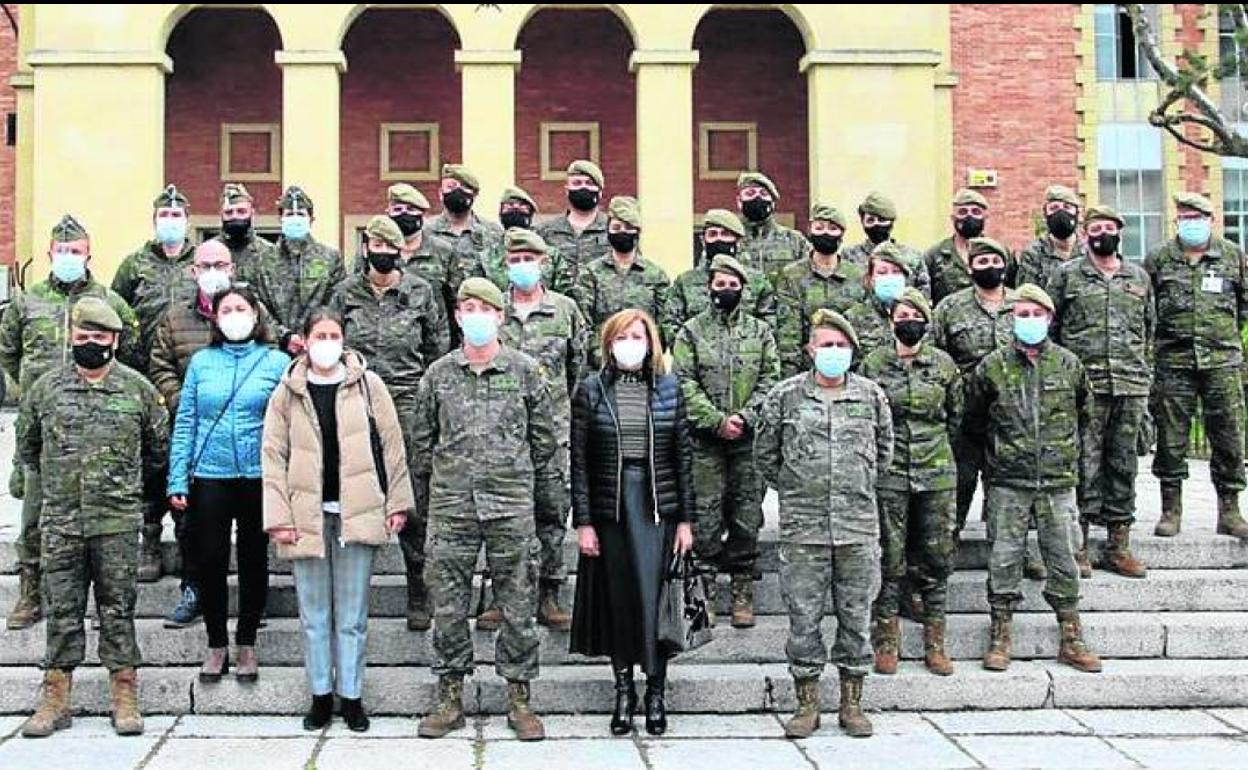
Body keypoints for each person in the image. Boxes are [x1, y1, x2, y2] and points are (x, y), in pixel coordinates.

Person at [413, 278, 562, 742]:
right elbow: (422, 444)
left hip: (510, 504)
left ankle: (519, 699)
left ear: (500, 316)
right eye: (467, 307)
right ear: (457, 317)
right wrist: (429, 500)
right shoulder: (438, 375)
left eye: (484, 308)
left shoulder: (526, 371)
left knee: (518, 603)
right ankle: (449, 697)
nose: (475, 315)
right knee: (449, 605)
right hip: (452, 506)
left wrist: (543, 502)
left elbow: (544, 443)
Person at [18, 297, 168, 738]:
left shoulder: (138, 391)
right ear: (71, 337)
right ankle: (54, 699)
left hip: (117, 522)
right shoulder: (45, 389)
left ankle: (124, 695)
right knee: (62, 612)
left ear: (115, 340)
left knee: (117, 610)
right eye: (83, 336)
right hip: (62, 522)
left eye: (99, 337)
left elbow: (158, 450)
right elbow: (29, 448)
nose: (90, 343)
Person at [262, 309, 414, 733]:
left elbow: (392, 445)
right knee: (313, 614)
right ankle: (319, 696)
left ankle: (351, 695)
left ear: (343, 340)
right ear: (305, 341)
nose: (326, 342)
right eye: (319, 335)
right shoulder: (287, 391)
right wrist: (278, 517)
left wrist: (396, 502)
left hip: (356, 513)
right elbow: (272, 456)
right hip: (305, 516)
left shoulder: (367, 385)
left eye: (334, 335)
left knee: (352, 614)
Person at [0, 215, 142, 630]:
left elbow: (129, 347)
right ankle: (31, 590)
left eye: (75, 251)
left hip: (100, 424)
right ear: (48, 254)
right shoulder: (27, 302)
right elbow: (8, 353)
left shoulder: (109, 301)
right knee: (35, 511)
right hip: (47, 426)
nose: (68, 257)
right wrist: (32, 391)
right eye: (62, 251)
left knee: (102, 516)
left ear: (89, 255)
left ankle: (105, 602)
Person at [755, 309, 891, 739]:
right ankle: (807, 702)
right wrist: (798, 492)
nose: (833, 352)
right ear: (810, 349)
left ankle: (852, 703)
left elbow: (883, 453)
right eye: (825, 345)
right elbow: (765, 455)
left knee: (856, 616)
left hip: (857, 528)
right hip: (804, 529)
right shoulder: (785, 396)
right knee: (804, 618)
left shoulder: (872, 396)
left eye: (841, 346)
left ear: (852, 350)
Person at [963, 284, 1101, 674]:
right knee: (1004, 557)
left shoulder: (1069, 365)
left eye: (1036, 314)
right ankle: (1000, 633)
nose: (1029, 321)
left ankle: (1071, 635)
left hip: (1057, 481)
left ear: (1050, 318)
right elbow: (973, 420)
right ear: (1011, 320)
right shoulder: (991, 367)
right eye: (1021, 315)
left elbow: (1084, 414)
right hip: (1008, 481)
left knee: (1063, 559)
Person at [570, 308, 695, 736]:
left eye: (638, 335)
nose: (630, 343)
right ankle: (624, 690)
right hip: (612, 508)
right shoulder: (589, 391)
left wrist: (685, 520)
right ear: (609, 343)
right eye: (622, 336)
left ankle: (656, 691)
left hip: (657, 506)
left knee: (653, 598)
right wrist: (584, 521)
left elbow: (683, 458)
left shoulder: (669, 389)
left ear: (651, 342)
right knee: (619, 599)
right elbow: (580, 463)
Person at [150, 240, 276, 628]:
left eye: (220, 264)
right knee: (196, 537)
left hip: (252, 457)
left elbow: (274, 372)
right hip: (202, 447)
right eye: (205, 265)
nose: (212, 271)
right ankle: (195, 594)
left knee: (255, 544)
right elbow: (159, 366)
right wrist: (181, 398)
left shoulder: (261, 325)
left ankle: (253, 614)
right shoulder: (174, 319)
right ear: (193, 270)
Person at [332, 215, 449, 631]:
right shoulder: (344, 293)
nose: (382, 252)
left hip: (406, 399)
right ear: (365, 248)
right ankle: (348, 596)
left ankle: (420, 588)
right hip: (356, 396)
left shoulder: (421, 292)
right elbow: (332, 340)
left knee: (411, 496)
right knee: (357, 491)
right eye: (374, 245)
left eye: (390, 246)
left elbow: (437, 349)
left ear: (402, 250)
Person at [167, 284, 288, 683]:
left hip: (258, 476)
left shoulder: (275, 362)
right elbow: (186, 421)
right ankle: (216, 643)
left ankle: (247, 641)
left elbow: (288, 424)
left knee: (254, 559)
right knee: (211, 560)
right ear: (216, 319)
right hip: (210, 475)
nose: (234, 315)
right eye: (227, 310)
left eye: (241, 308)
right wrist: (177, 477)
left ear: (255, 316)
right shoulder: (202, 362)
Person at [489, 227, 590, 632]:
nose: (521, 267)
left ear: (543, 263)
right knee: (503, 517)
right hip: (502, 435)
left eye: (528, 260)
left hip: (553, 434)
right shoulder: (493, 310)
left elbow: (578, 369)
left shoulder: (565, 310)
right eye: (514, 261)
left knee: (550, 513)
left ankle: (549, 593)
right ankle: (503, 595)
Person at [671, 255, 779, 628]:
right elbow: (683, 381)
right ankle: (705, 590)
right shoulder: (691, 332)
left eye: (734, 285)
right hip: (706, 440)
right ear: (709, 288)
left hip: (748, 440)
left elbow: (771, 380)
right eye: (720, 284)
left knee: (747, 514)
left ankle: (742, 586)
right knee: (705, 516)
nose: (726, 291)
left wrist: (745, 418)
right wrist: (717, 421)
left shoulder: (761, 333)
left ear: (744, 290)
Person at [859, 289, 961, 676]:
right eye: (902, 315)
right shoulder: (875, 364)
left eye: (916, 315)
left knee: (937, 557)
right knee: (890, 557)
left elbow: (956, 415)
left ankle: (935, 641)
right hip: (890, 474)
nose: (909, 321)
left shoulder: (944, 365)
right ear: (891, 321)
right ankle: (887, 639)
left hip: (936, 471)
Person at [1049, 204, 1153, 578]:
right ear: (1085, 233)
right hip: (1085, 388)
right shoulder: (1067, 275)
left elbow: (1148, 331)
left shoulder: (1138, 277)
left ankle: (1118, 544)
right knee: (1083, 465)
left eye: (1109, 226)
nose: (1102, 233)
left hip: (1130, 385)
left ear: (1119, 232)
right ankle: (1079, 546)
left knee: (1123, 465)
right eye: (1095, 227)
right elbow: (1052, 328)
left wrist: (1143, 376)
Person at [1146, 192, 1248, 539]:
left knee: (1228, 435)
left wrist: (1224, 337)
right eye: (1185, 217)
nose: (1191, 223)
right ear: (1177, 221)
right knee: (1171, 438)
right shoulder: (1160, 258)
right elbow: (1148, 309)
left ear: (1211, 219)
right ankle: (1171, 510)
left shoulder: (1233, 256)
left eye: (1197, 217)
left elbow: (1244, 305)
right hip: (1173, 361)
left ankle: (1230, 509)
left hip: (1221, 361)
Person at [248, 186, 346, 355]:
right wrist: (284, 336)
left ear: (311, 218)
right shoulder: (261, 259)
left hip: (318, 347)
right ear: (280, 218)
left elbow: (335, 302)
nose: (295, 219)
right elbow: (254, 303)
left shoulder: (330, 258)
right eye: (289, 214)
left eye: (300, 214)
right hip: (271, 348)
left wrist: (310, 335)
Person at [774, 203, 867, 378]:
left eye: (833, 229)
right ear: (810, 230)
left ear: (841, 235)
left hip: (851, 369)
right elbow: (789, 332)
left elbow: (864, 326)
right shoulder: (792, 275)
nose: (825, 233)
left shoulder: (857, 275)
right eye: (819, 227)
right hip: (806, 370)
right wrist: (791, 375)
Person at [574, 196, 672, 361]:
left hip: (644, 364)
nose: (622, 232)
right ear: (608, 230)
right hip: (600, 365)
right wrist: (602, 355)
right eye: (616, 227)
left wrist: (647, 354)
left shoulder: (656, 276)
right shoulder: (590, 274)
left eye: (628, 227)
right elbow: (582, 322)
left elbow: (663, 324)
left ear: (638, 232)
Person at [111, 184, 196, 371]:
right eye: (164, 215)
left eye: (176, 215)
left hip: (191, 362)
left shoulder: (200, 262)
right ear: (155, 221)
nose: (170, 220)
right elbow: (115, 309)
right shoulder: (134, 264)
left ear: (187, 221)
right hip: (143, 364)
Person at [665, 209, 774, 337]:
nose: (719, 239)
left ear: (737, 240)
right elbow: (671, 325)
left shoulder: (758, 281)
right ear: (703, 240)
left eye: (725, 234)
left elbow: (770, 325)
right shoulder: (685, 282)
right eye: (713, 234)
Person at [475, 185, 576, 295]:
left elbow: (564, 292)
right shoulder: (487, 256)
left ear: (531, 214)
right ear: (500, 213)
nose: (515, 209)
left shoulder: (551, 254)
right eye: (510, 205)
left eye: (522, 206)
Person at [925, 188, 1011, 306]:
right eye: (963, 212)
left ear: (985, 217)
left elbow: (1012, 290)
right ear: (953, 218)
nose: (969, 216)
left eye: (976, 212)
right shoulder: (935, 255)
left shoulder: (1000, 253)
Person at [840, 192, 931, 297]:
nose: (876, 224)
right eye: (870, 220)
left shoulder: (912, 256)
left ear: (891, 222)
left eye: (882, 220)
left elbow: (923, 294)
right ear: (863, 223)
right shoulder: (849, 255)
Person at [536, 159, 612, 273]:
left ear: (600, 191)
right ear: (567, 190)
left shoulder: (613, 229)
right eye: (577, 183)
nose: (583, 187)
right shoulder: (545, 231)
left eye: (589, 183)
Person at [735, 171, 808, 282]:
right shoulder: (729, 238)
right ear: (739, 202)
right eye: (750, 193)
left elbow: (811, 276)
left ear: (772, 203)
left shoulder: (795, 240)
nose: (757, 198)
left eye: (763, 194)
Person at [845, 243, 915, 358]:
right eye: (882, 272)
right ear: (870, 279)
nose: (890, 277)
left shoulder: (917, 316)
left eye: (896, 272)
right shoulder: (854, 318)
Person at [1016, 185, 1087, 288]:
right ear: (1045, 215)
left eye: (1067, 207)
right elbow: (1027, 293)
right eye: (1054, 208)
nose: (1061, 213)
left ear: (1077, 213)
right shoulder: (1033, 253)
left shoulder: (1088, 250)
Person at [212, 183, 277, 280]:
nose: (235, 216)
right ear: (221, 215)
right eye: (229, 212)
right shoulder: (209, 251)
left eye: (241, 211)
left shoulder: (271, 253)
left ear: (252, 213)